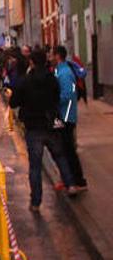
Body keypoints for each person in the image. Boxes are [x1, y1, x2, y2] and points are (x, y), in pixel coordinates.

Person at [10, 50, 76, 210]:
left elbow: (14, 102)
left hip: (33, 126)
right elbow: (57, 96)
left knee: (35, 166)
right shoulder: (52, 78)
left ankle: (36, 202)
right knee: (59, 156)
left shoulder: (25, 81)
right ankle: (71, 184)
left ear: (31, 62)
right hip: (51, 122)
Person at [52, 46, 88, 192]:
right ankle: (68, 179)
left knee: (68, 150)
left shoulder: (65, 73)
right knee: (64, 149)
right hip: (64, 114)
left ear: (57, 56)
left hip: (66, 115)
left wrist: (52, 101)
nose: (49, 57)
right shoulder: (60, 70)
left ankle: (78, 181)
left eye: (51, 54)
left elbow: (67, 94)